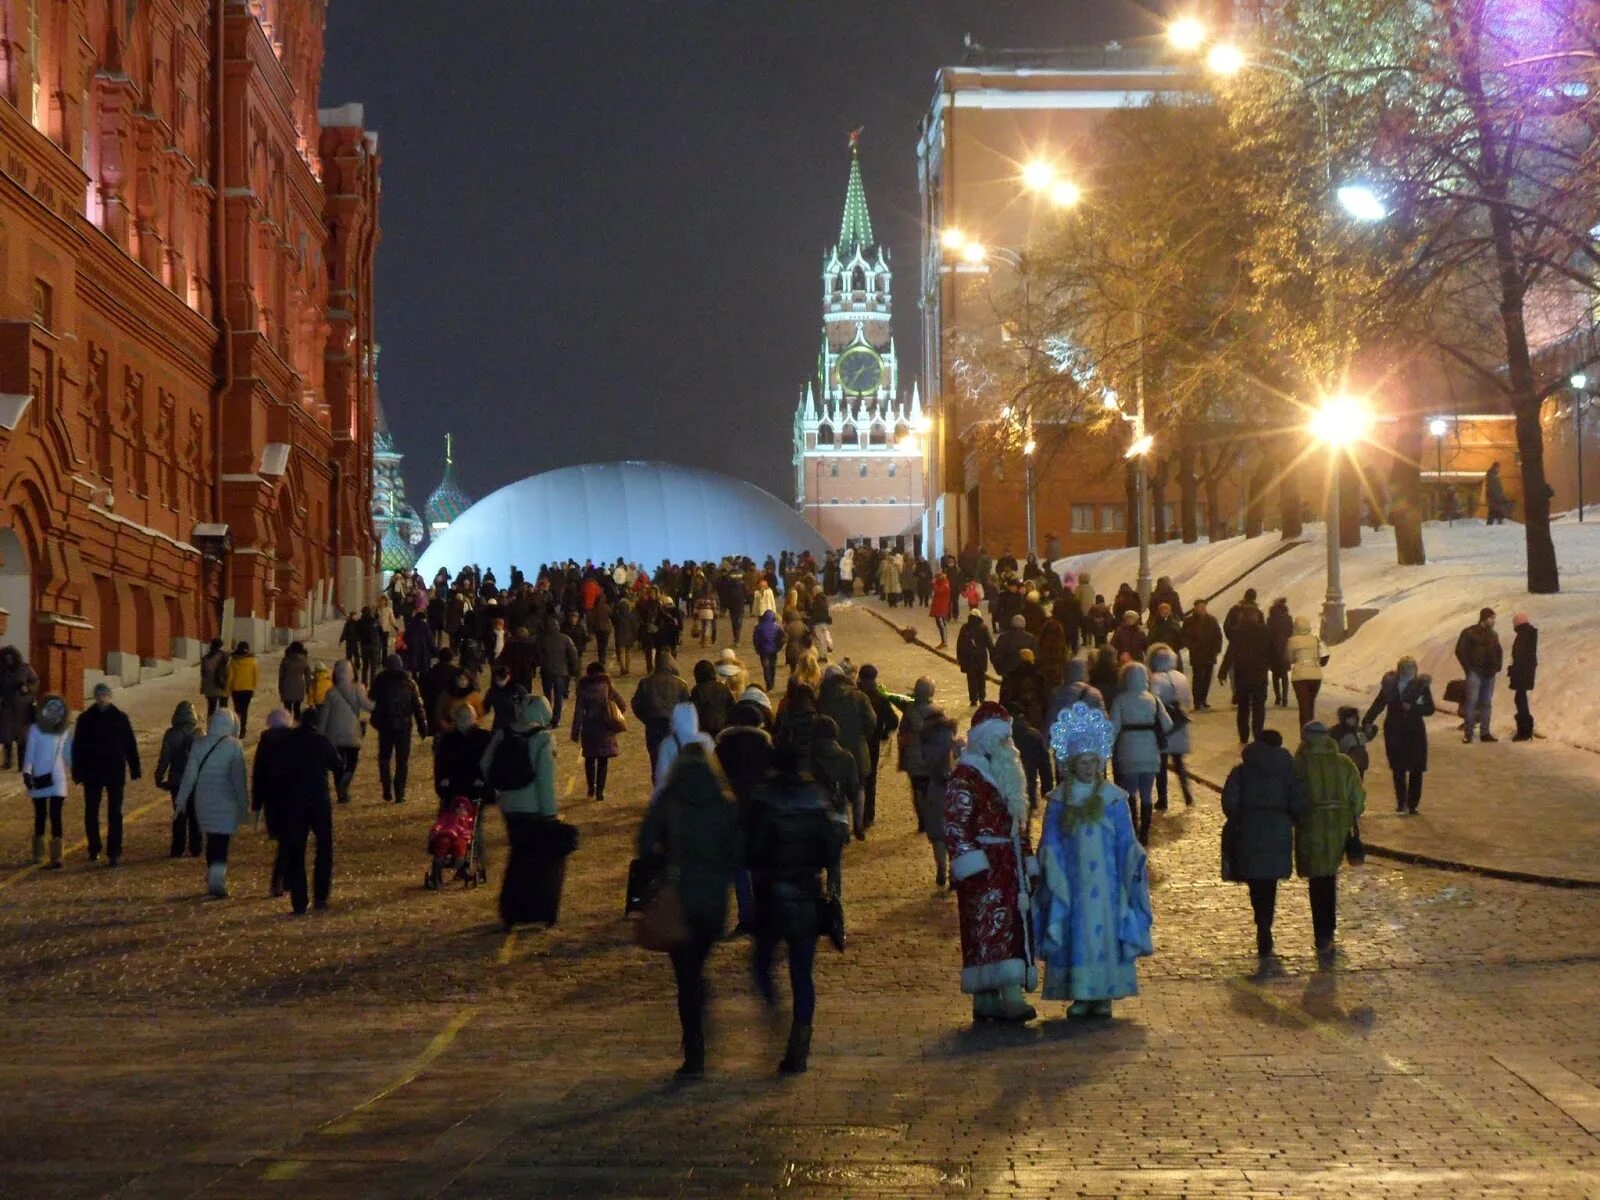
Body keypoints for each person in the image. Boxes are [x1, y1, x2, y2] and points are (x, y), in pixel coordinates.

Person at [1035, 703, 1153, 1016]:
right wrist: (1049, 863)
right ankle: (1081, 992)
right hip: (1074, 883)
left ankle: (1104, 993)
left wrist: (1134, 865)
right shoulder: (1060, 799)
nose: (1087, 766)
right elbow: (1051, 838)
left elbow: (1126, 839)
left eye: (1092, 761)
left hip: (1107, 882)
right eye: (1081, 761)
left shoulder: (1114, 798)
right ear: (1071, 763)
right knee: (1078, 933)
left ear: (1099, 762)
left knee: (1104, 933)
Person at [636, 736, 740, 1078]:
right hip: (713, 899)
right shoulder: (726, 802)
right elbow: (739, 853)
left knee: (686, 976)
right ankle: (700, 1017)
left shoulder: (671, 800)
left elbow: (644, 843)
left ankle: (694, 1050)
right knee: (697, 967)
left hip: (680, 896)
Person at [944, 702, 1038, 1022]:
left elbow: (1019, 822)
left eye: (1006, 739)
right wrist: (972, 863)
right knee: (984, 929)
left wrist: (1028, 859)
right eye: (999, 739)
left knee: (1010, 926)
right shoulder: (966, 776)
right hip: (983, 866)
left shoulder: (1010, 773)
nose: (1006, 745)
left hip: (1010, 865)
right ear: (984, 740)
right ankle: (990, 996)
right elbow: (956, 824)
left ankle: (1007, 992)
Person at [746, 742, 835, 1074]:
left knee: (761, 965)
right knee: (802, 973)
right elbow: (830, 850)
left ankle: (776, 1017)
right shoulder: (816, 799)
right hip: (807, 895)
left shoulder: (763, 801)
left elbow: (751, 850)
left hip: (772, 896)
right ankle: (799, 1042)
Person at [1219, 729, 1307, 962]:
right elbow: (1298, 802)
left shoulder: (1242, 771)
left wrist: (1239, 817)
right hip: (1278, 829)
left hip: (1249, 828)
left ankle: (1261, 921)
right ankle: (1266, 920)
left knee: (1255, 880)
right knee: (1270, 881)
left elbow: (1229, 802)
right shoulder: (1289, 771)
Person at [483, 693, 565, 930]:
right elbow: (545, 780)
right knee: (534, 861)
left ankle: (511, 911)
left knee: (517, 855)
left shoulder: (503, 733)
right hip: (534, 808)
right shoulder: (543, 739)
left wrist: (500, 789)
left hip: (509, 806)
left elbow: (485, 763)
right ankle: (533, 910)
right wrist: (550, 813)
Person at [1293, 721, 1365, 962]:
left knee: (1317, 879)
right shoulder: (1344, 764)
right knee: (1330, 876)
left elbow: (1293, 799)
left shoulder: (1300, 765)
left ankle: (1320, 932)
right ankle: (1328, 930)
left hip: (1311, 827)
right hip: (1337, 826)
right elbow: (1358, 800)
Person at [176, 709, 249, 898]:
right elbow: (239, 780)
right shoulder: (234, 746)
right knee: (221, 840)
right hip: (226, 800)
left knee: (211, 838)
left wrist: (181, 801)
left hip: (204, 800)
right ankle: (217, 878)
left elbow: (189, 776)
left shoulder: (199, 744)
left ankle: (212, 874)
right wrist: (244, 805)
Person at [70, 682, 141, 866]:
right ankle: (94, 847)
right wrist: (77, 770)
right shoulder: (85, 719)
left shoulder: (120, 718)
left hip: (114, 770)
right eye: (99, 694)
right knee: (91, 811)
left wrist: (135, 767)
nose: (102, 697)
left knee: (115, 812)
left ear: (109, 696)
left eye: (104, 694)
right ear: (95, 697)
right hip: (92, 771)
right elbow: (77, 747)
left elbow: (129, 744)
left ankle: (114, 851)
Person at [1107, 662, 1174, 846]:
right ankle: (1144, 833)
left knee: (1130, 792)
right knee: (1146, 794)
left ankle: (1133, 831)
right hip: (1151, 752)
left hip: (1128, 752)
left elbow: (1113, 728)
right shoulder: (1153, 699)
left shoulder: (1121, 700)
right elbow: (1167, 725)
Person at [1361, 657, 1435, 814]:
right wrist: (1367, 721)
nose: (1408, 672)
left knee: (1416, 768)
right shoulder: (1390, 685)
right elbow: (1378, 704)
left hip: (1415, 731)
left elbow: (1429, 708)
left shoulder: (1421, 686)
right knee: (1398, 767)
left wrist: (1413, 708)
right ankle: (1402, 802)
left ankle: (1413, 803)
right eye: (1405, 669)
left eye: (1411, 669)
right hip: (1395, 730)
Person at [369, 654, 429, 805]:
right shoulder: (409, 682)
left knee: (384, 758)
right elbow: (418, 706)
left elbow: (371, 697)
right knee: (402, 761)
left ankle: (387, 788)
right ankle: (400, 793)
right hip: (404, 726)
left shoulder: (380, 680)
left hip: (385, 725)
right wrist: (423, 726)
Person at [23, 695, 72, 869]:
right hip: (38, 778)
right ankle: (38, 852)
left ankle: (57, 855)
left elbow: (68, 755)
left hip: (57, 778)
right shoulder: (35, 730)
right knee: (40, 815)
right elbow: (29, 753)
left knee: (56, 815)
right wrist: (27, 772)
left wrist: (78, 771)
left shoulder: (64, 731)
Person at [317, 660, 373, 805]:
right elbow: (368, 706)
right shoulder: (358, 689)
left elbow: (324, 716)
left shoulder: (331, 692)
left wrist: (320, 734)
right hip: (353, 733)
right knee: (352, 763)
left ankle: (341, 794)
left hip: (334, 735)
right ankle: (344, 787)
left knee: (337, 765)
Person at [1147, 645, 1194, 810]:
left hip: (1164, 727)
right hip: (1180, 726)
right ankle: (1187, 794)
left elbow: (1153, 701)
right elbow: (1188, 700)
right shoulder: (1181, 677)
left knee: (1161, 766)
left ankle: (1163, 799)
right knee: (1179, 763)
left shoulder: (1155, 679)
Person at [918, 706, 959, 887]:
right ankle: (953, 872)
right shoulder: (953, 739)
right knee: (953, 830)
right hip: (953, 789)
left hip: (935, 789)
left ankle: (941, 867)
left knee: (938, 834)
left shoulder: (925, 742)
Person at [571, 661, 625, 800]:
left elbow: (578, 712)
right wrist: (614, 713)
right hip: (605, 726)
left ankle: (590, 788)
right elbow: (622, 704)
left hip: (589, 727)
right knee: (603, 760)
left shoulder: (583, 688)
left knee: (589, 758)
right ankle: (600, 792)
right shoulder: (607, 685)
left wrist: (575, 732)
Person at [632, 653, 691, 776]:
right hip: (673, 725)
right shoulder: (680, 684)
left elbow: (636, 704)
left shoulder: (645, 682)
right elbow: (687, 707)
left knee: (655, 758)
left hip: (653, 724)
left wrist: (645, 718)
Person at [156, 701, 201, 858]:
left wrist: (159, 776)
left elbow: (164, 759)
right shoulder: (199, 734)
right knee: (195, 815)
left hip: (177, 782)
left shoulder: (171, 734)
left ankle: (178, 848)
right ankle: (196, 847)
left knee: (179, 815)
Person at [1220, 606, 1271, 744]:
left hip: (1242, 676)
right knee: (1259, 707)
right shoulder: (1264, 631)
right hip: (1260, 675)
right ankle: (1258, 734)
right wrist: (1277, 667)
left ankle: (1243, 736)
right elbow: (1271, 651)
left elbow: (1230, 652)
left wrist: (1223, 672)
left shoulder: (1238, 632)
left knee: (1243, 708)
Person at [1454, 607, 1502, 743]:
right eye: (1492, 618)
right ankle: (1468, 733)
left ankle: (1485, 732)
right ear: (1484, 618)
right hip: (1475, 672)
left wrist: (1497, 666)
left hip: (1489, 673)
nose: (1494, 621)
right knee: (1472, 702)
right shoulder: (1469, 632)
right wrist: (1468, 669)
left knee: (1486, 703)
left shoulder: (1493, 635)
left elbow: (1499, 651)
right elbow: (1460, 650)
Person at [898, 677, 937, 833]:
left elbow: (902, 735)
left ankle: (922, 821)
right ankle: (931, 818)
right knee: (930, 790)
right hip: (931, 758)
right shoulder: (937, 712)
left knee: (917, 790)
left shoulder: (909, 712)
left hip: (913, 758)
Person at [433, 703, 492, 804]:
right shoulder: (448, 739)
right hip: (454, 784)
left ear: (474, 718)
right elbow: (441, 762)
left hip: (476, 784)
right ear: (456, 719)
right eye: (461, 716)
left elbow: (490, 762)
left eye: (468, 717)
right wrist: (443, 778)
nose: (464, 720)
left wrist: (483, 779)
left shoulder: (484, 738)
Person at [536, 616, 580, 725]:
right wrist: (574, 669)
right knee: (558, 696)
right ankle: (556, 718)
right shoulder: (565, 639)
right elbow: (573, 655)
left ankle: (547, 716)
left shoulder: (541, 639)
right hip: (561, 671)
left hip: (546, 670)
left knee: (547, 696)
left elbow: (537, 655)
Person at [0, 644, 37, 770]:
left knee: (22, 738)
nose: (8, 660)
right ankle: (7, 762)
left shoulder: (25, 668)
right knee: (6, 737)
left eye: (10, 657)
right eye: (6, 658)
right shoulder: (2, 671)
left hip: (23, 708)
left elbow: (35, 680)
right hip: (7, 708)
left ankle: (22, 765)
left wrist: (28, 688)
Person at [1181, 599, 1222, 710]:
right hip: (1197, 653)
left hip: (1210, 653)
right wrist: (1191, 646)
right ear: (1195, 608)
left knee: (1207, 678)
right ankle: (1197, 701)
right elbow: (1184, 636)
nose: (1202, 609)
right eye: (1200, 607)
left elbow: (1218, 635)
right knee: (1198, 677)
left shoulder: (1211, 620)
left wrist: (1217, 648)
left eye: (1204, 607)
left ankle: (1203, 699)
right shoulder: (1189, 621)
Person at [1285, 617, 1325, 728]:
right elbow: (1321, 654)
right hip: (1316, 675)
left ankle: (1305, 732)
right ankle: (1312, 729)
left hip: (1300, 676)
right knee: (1311, 703)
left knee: (1303, 706)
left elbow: (1289, 658)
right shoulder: (1315, 639)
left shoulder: (1292, 641)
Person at [1508, 613, 1538, 741]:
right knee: (1520, 698)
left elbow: (1519, 656)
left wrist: (1513, 670)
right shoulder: (1529, 634)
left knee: (1520, 699)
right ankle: (1526, 729)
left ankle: (1524, 730)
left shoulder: (1523, 636)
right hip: (1526, 672)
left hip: (1521, 673)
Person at [955, 612, 995, 705]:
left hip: (968, 657)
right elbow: (989, 643)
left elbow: (959, 643)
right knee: (981, 678)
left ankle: (973, 699)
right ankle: (982, 697)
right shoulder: (983, 627)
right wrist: (993, 656)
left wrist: (959, 657)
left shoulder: (965, 627)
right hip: (981, 657)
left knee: (971, 679)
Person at [690, 659, 735, 737]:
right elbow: (733, 708)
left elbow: (693, 712)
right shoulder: (722, 687)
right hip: (723, 729)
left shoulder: (697, 690)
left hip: (705, 732)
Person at [226, 641, 258, 737]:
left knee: (237, 709)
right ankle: (243, 730)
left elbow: (230, 676)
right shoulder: (253, 661)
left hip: (236, 689)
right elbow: (256, 676)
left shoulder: (233, 661)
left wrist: (228, 688)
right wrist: (253, 687)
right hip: (248, 689)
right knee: (244, 710)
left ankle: (237, 728)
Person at [1266, 598, 1293, 708]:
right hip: (1284, 647)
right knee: (1284, 674)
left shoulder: (1270, 619)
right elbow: (1290, 632)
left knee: (1275, 675)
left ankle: (1278, 697)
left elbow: (1267, 633)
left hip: (1273, 648)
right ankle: (1285, 698)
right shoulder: (1288, 618)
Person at [278, 641, 313, 719]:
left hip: (286, 687)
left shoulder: (285, 660)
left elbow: (281, 677)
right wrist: (309, 688)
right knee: (297, 709)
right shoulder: (304, 661)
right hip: (299, 687)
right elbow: (308, 676)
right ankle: (297, 726)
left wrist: (280, 689)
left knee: (287, 711)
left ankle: (288, 728)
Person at [752, 607, 784, 692]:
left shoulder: (758, 627)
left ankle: (769, 684)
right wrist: (778, 647)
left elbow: (756, 639)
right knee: (772, 666)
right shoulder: (777, 628)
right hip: (773, 650)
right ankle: (772, 682)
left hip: (763, 651)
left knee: (766, 667)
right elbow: (781, 639)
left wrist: (757, 649)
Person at [199, 638, 229, 717]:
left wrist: (203, 688)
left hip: (209, 686)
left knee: (211, 708)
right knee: (224, 709)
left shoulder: (205, 658)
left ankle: (210, 726)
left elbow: (203, 674)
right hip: (222, 686)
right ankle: (224, 726)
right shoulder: (224, 656)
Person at [929, 572, 952, 648]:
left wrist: (933, 584)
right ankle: (943, 641)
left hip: (941, 608)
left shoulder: (944, 584)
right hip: (938, 607)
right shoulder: (941, 583)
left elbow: (937, 590)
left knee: (941, 625)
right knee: (940, 625)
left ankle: (944, 642)